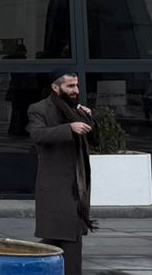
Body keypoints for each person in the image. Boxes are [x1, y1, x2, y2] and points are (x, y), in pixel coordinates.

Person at [28, 73, 95, 275]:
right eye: (70, 86)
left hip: (78, 184)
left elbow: (94, 139)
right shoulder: (39, 109)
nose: (75, 90)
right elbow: (38, 135)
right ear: (56, 88)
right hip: (56, 184)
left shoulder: (77, 110)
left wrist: (89, 118)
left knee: (59, 236)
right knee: (68, 236)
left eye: (77, 85)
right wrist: (69, 128)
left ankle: (23, 264)